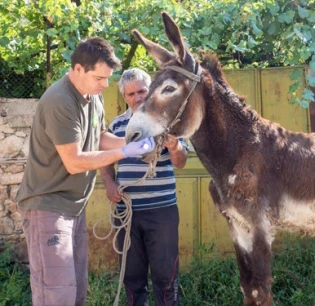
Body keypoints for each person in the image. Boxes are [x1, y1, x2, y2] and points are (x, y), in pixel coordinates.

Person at [16, 38, 154, 306]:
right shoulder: (60, 101)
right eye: (99, 77)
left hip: (74, 207)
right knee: (57, 295)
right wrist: (124, 153)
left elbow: (100, 136)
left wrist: (130, 143)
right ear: (78, 69)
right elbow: (75, 161)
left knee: (77, 291)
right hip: (47, 206)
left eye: (107, 78)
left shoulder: (93, 96)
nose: (105, 84)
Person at [100, 68, 188, 306]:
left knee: (165, 275)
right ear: (124, 97)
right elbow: (104, 159)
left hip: (162, 212)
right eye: (131, 94)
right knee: (132, 276)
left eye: (142, 91)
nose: (137, 97)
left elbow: (181, 163)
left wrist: (174, 146)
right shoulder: (117, 125)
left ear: (151, 91)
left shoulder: (169, 122)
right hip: (127, 214)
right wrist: (109, 183)